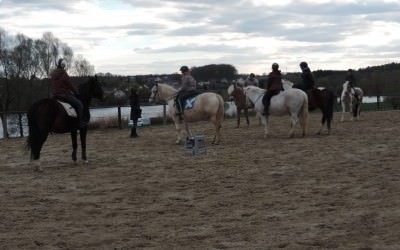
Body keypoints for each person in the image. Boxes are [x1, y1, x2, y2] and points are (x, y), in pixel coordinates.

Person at [51, 58, 85, 128]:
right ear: (63, 65)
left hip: (55, 95)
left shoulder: (53, 74)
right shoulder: (63, 73)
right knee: (79, 105)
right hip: (64, 95)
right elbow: (70, 85)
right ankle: (80, 123)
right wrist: (76, 93)